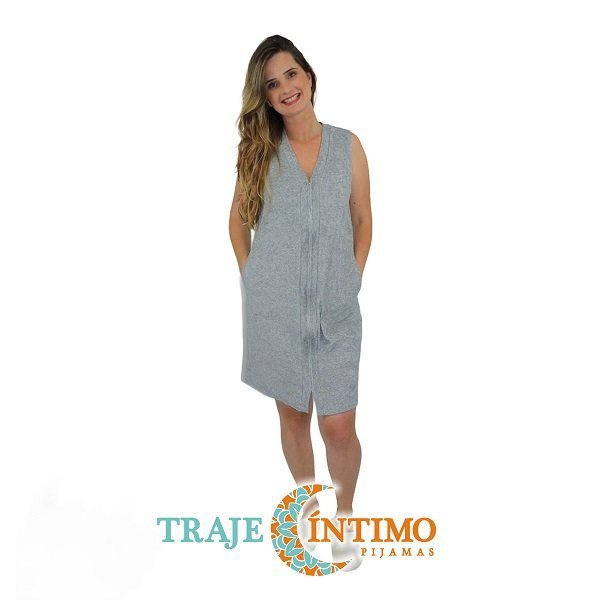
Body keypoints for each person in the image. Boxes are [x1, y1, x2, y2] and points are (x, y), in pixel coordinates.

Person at [229, 35, 372, 568]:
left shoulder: (347, 145)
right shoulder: (259, 153)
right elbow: (236, 224)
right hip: (277, 312)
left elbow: (363, 218)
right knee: (293, 416)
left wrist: (352, 276)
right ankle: (308, 511)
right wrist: (254, 281)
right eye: (272, 84)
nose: (285, 88)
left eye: (291, 74)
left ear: (308, 76)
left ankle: (345, 517)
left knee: (339, 425)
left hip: (336, 308)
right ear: (265, 97)